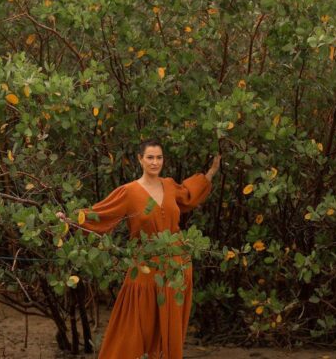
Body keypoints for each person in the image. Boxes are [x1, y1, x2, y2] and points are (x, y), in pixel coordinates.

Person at [57, 139, 220, 359]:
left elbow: (189, 196)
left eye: (159, 157)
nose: (155, 162)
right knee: (134, 326)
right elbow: (100, 214)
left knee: (169, 329)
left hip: (176, 270)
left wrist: (210, 173)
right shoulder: (129, 192)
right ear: (139, 159)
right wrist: (68, 220)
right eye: (150, 157)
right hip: (144, 269)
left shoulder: (170, 185)